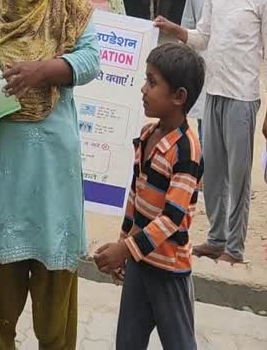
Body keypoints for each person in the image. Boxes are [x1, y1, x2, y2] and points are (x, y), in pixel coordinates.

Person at [0, 0, 100, 350]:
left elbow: (91, 59)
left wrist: (45, 70)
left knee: (54, 278)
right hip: (0, 151)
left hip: (51, 163)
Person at [155, 0, 267, 265]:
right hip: (212, 91)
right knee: (210, 173)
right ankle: (216, 237)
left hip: (243, 96)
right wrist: (174, 30)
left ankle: (235, 248)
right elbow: (203, 38)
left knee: (238, 175)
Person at [95, 42, 204, 350]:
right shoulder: (146, 136)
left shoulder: (187, 150)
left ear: (179, 97)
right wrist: (123, 243)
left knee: (180, 344)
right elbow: (135, 195)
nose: (143, 89)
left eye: (152, 82)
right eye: (146, 79)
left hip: (169, 268)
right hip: (140, 262)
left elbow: (172, 218)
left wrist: (124, 249)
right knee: (127, 342)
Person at [181, 0, 230, 142]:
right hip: (203, 61)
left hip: (230, 65)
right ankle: (203, 171)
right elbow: (188, 23)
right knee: (204, 121)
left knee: (227, 125)